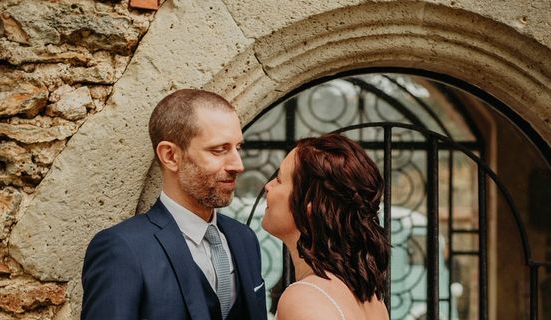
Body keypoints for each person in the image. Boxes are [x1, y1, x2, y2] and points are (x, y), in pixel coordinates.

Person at [82, 89, 267, 320]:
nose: (238, 165)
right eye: (219, 150)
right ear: (170, 156)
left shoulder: (245, 239)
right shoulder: (122, 249)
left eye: (238, 147)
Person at [262, 133, 390, 320]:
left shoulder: (305, 298)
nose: (268, 186)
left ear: (310, 207)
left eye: (279, 180)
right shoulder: (373, 301)